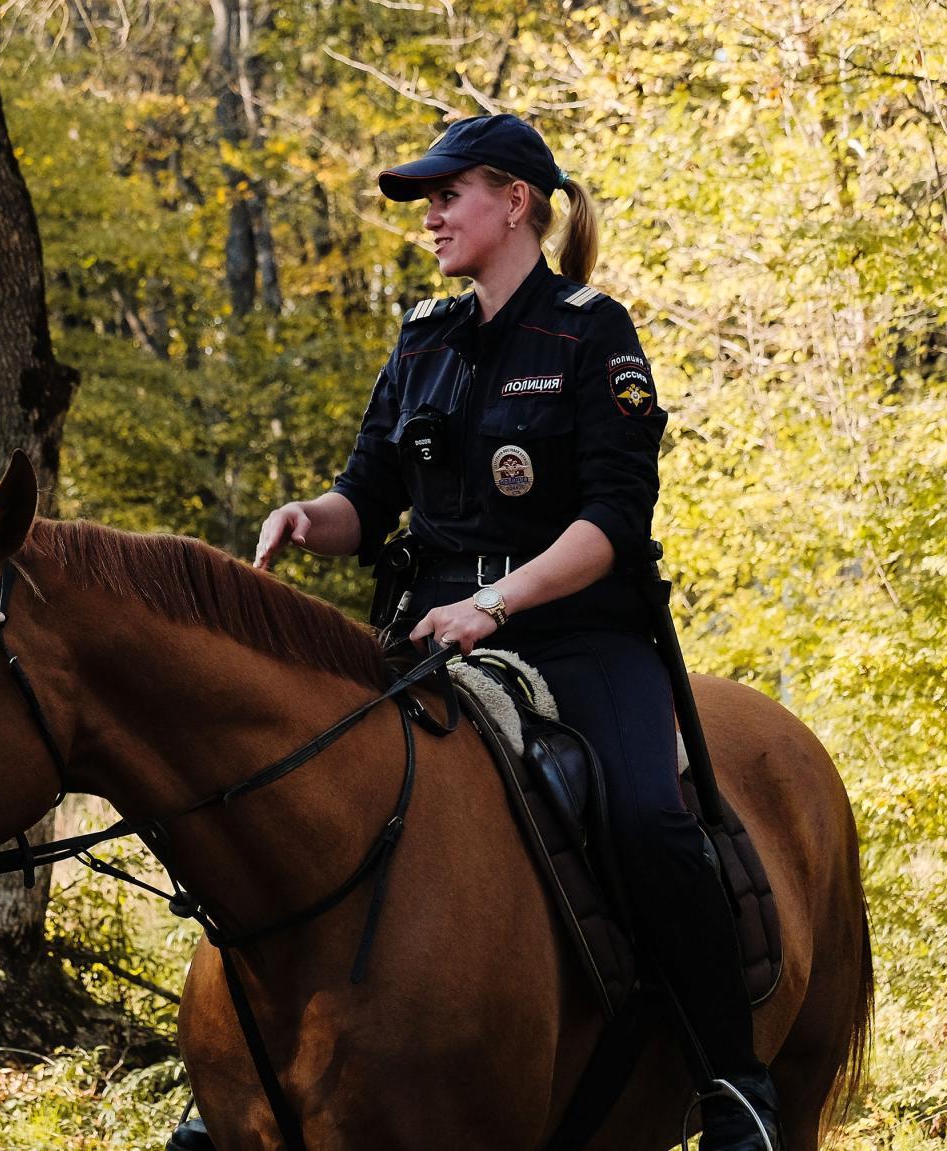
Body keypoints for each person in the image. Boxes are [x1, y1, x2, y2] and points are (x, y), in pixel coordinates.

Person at [253, 114, 780, 1149]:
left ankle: (731, 1082)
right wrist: (308, 518)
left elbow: (612, 521)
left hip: (574, 636)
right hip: (423, 637)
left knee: (645, 818)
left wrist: (493, 604)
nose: (431, 217)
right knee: (290, 800)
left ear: (515, 201)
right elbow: (365, 495)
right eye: (424, 199)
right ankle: (238, 1074)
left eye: (448, 194)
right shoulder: (421, 336)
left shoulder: (592, 332)